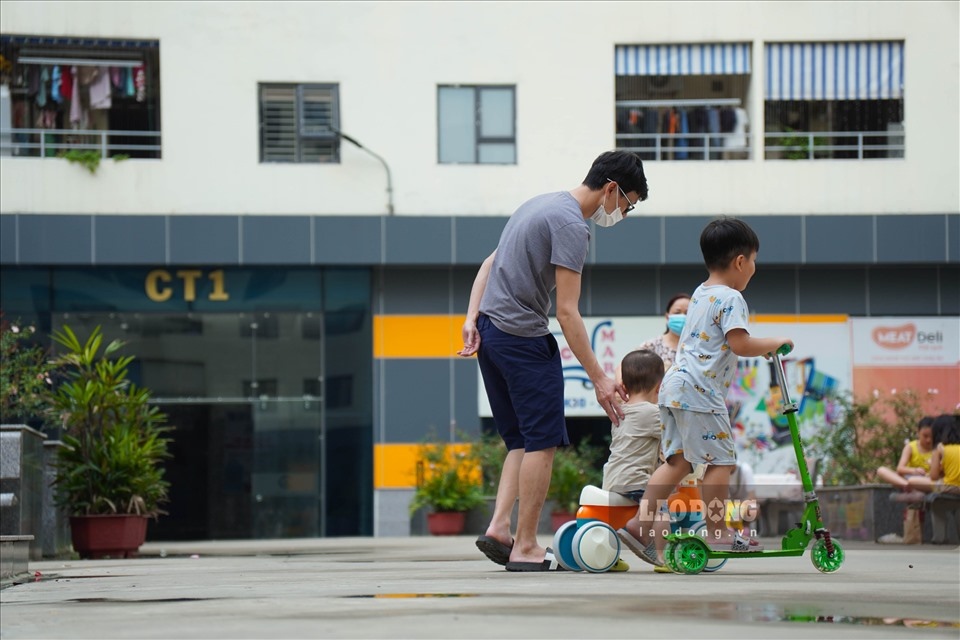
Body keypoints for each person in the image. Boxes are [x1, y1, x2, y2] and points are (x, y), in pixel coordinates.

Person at [458, 150, 648, 572]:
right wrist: (599, 378)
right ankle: (525, 546)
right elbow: (567, 312)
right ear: (611, 189)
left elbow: (490, 263)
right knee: (542, 443)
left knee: (521, 441)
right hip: (523, 339)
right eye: (628, 204)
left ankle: (499, 529)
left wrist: (471, 317)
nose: (623, 214)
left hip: (491, 334)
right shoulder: (570, 226)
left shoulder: (538, 204)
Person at [615, 216, 793, 567]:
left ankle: (639, 524)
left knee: (678, 461)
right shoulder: (731, 298)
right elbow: (739, 343)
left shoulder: (700, 293)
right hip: (701, 391)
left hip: (675, 386)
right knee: (721, 462)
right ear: (741, 261)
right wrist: (775, 342)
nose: (753, 268)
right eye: (753, 261)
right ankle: (718, 532)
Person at [602, 349, 665, 503]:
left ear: (622, 386)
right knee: (660, 512)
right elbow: (679, 434)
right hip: (636, 481)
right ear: (659, 387)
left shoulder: (620, 411)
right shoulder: (652, 413)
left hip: (611, 480)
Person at [616, 293, 690, 387]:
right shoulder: (652, 346)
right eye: (677, 312)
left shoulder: (699, 347)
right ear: (667, 317)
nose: (682, 317)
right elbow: (622, 367)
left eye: (687, 313)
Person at [877, 416, 935, 499]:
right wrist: (914, 471)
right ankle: (909, 488)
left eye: (931, 437)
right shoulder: (911, 446)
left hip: (926, 480)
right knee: (881, 470)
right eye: (925, 436)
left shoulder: (938, 448)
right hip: (909, 479)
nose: (928, 440)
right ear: (918, 433)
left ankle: (913, 492)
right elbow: (900, 469)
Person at [907, 414, 960, 495]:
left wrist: (933, 465)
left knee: (912, 481)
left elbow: (933, 477)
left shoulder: (939, 448)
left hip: (948, 487)